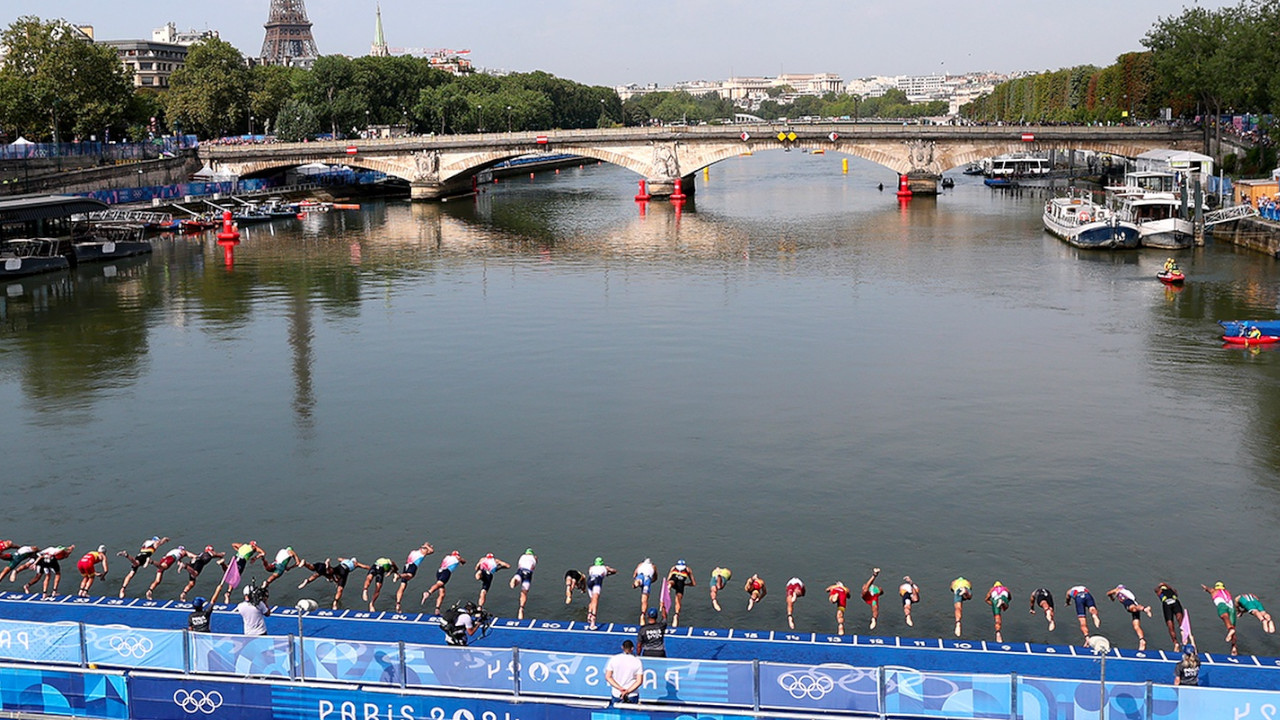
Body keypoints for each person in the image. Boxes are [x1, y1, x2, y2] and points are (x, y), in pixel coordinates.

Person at [299, 557, 366, 609]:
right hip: (343, 574)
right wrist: (370, 569)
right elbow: (365, 566)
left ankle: (309, 567)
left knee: (325, 573)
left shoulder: (346, 560)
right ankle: (335, 602)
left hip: (338, 569)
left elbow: (339, 558)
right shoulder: (356, 564)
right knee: (339, 588)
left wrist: (344, 559)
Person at [1107, 584, 1153, 650]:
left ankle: (1145, 609)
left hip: (1128, 601)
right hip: (1134, 604)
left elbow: (1108, 593)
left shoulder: (1119, 590)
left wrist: (1112, 596)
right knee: (1136, 626)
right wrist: (1113, 597)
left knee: (1133, 608)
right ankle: (1142, 640)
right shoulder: (1125, 592)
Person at [394, 543, 435, 613]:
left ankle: (398, 603)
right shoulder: (423, 551)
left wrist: (425, 546)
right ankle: (399, 576)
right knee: (410, 575)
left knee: (402, 586)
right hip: (413, 565)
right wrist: (427, 546)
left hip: (406, 566)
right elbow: (432, 551)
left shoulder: (413, 552)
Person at [1155, 582, 1194, 652]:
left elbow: (1175, 591)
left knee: (1180, 618)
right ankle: (1175, 643)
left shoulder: (1172, 590)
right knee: (1170, 624)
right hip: (1167, 605)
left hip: (1175, 603)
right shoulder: (1159, 592)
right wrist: (1161, 586)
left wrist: (1165, 584)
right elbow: (1156, 590)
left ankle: (1184, 635)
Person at [1201, 582, 1239, 655]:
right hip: (1232, 609)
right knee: (1233, 628)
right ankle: (1234, 647)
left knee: (1223, 616)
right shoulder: (1228, 592)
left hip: (1222, 605)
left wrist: (1206, 588)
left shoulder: (1214, 591)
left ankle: (1230, 629)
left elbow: (1209, 589)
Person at [604, 640, 643, 705]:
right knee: (632, 715)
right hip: (632, 694)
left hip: (617, 693)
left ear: (622, 647)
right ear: (632, 648)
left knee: (617, 714)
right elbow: (639, 681)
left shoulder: (614, 659)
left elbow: (608, 677)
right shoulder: (637, 661)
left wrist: (620, 688)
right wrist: (627, 691)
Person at [585, 557, 617, 630]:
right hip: (597, 581)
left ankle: (589, 614)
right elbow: (614, 571)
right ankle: (593, 622)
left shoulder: (591, 567)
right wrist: (608, 572)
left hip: (589, 581)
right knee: (595, 601)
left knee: (592, 600)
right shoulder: (605, 567)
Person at [666, 559, 696, 627]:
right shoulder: (688, 569)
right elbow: (693, 583)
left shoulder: (673, 568)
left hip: (673, 581)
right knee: (678, 601)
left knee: (672, 581)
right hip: (681, 584)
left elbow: (668, 579)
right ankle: (676, 615)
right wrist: (686, 584)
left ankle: (670, 586)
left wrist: (667, 585)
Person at [510, 548, 537, 619]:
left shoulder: (522, 557)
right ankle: (521, 608)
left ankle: (515, 581)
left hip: (521, 570)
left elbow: (519, 565)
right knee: (524, 593)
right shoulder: (534, 558)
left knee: (517, 579)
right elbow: (533, 566)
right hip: (528, 573)